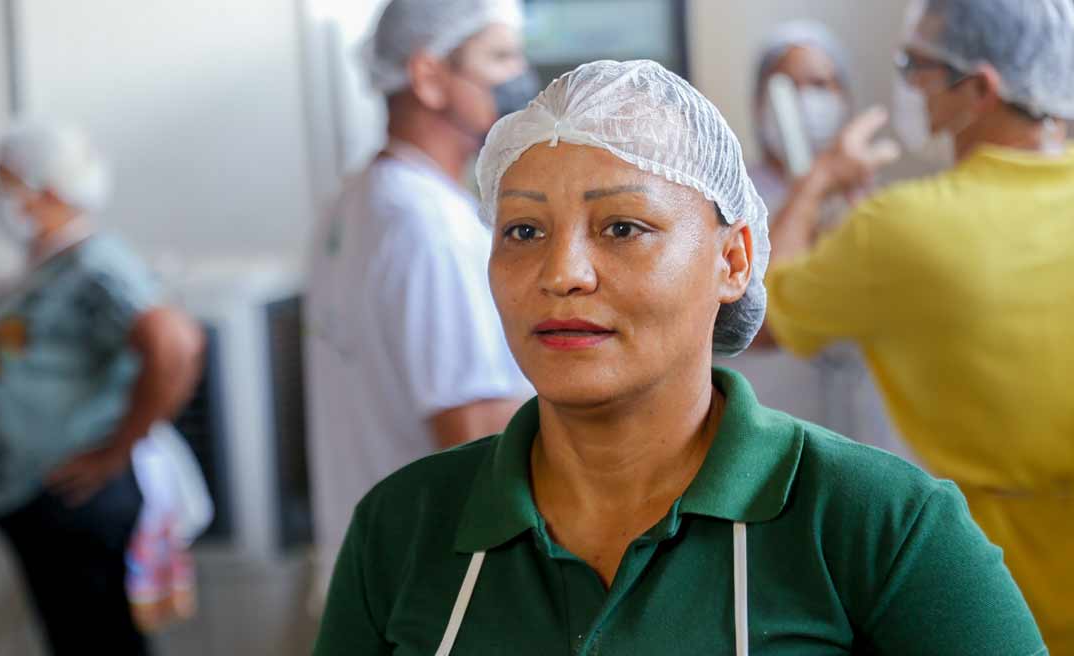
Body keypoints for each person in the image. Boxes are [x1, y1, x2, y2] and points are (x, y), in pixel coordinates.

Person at [313, 59, 1044, 655]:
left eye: (622, 226)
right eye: (524, 232)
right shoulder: (402, 528)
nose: (562, 272)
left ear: (733, 261)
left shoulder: (880, 527)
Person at [763, 0, 1074, 650]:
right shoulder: (896, 232)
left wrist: (820, 178)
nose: (908, 84)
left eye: (918, 67)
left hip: (999, 607)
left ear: (981, 88)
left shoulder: (902, 231)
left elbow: (756, 311)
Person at [304, 0, 536, 606]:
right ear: (430, 76)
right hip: (443, 585)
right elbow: (478, 433)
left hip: (379, 570)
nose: (520, 74)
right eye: (500, 55)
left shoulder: (357, 202)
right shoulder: (429, 226)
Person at [0, 122, 204, 655]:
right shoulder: (43, 267)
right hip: (34, 492)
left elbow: (174, 341)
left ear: (45, 191)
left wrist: (118, 448)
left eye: (5, 182)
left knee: (100, 640)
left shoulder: (94, 262)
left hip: (80, 492)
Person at [734, 21, 908, 460]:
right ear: (759, 103)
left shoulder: (875, 209)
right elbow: (760, 311)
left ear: (843, 97)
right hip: (770, 438)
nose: (803, 99)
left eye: (819, 84)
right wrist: (814, 183)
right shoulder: (730, 204)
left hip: (865, 445)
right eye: (785, 85)